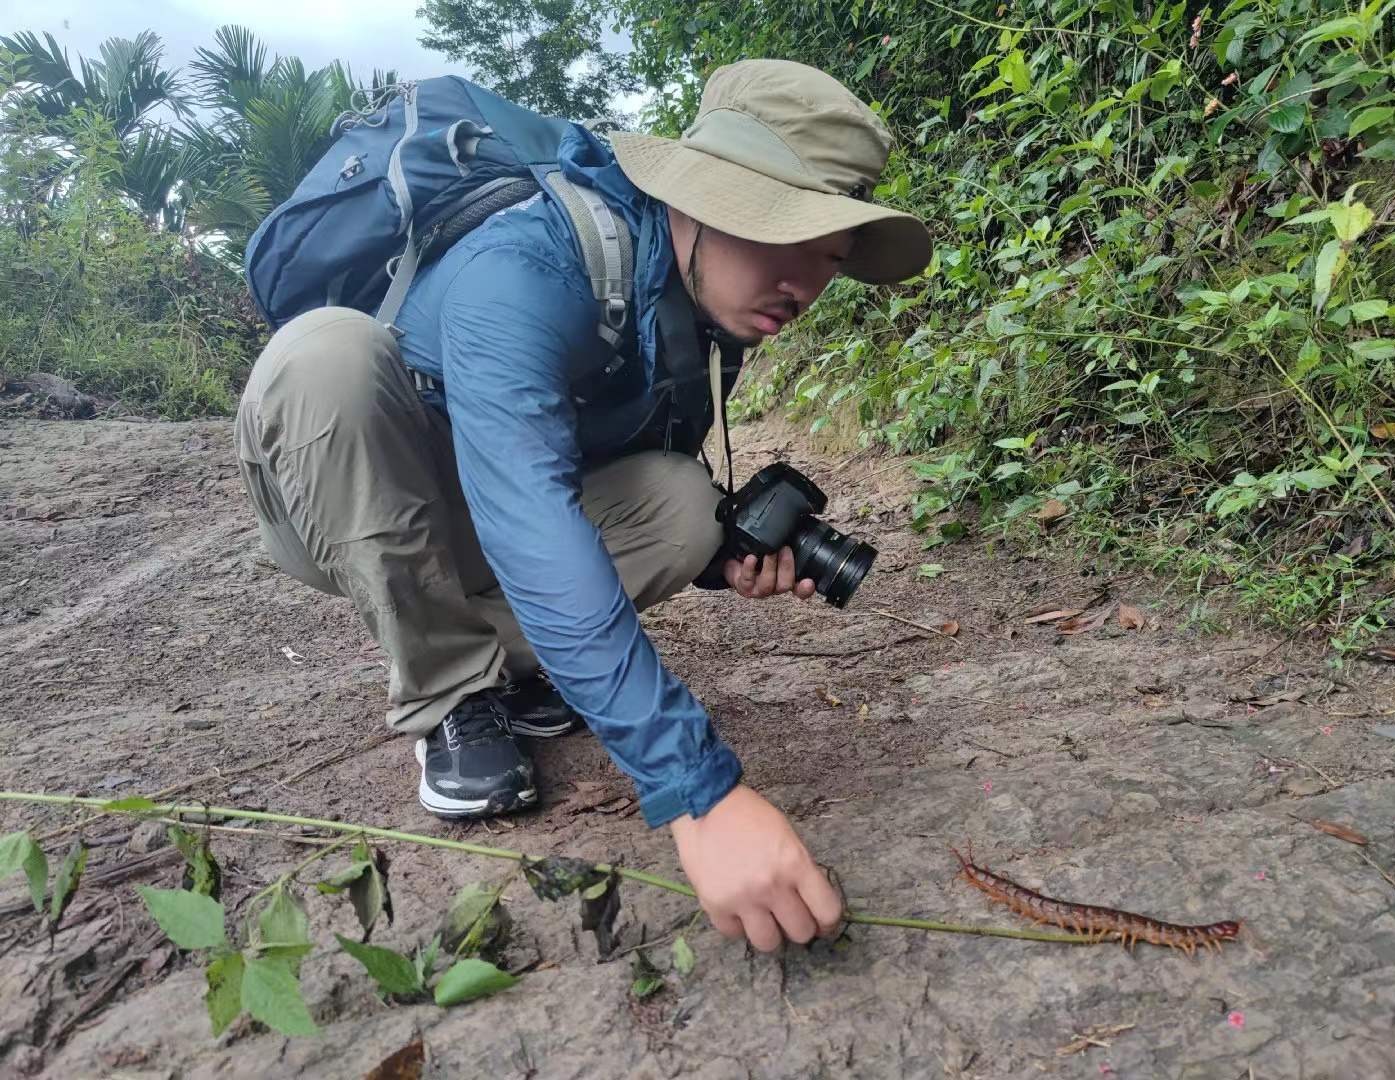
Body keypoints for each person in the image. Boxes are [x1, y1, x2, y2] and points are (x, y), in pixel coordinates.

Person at [234, 59, 931, 953]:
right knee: (329, 357)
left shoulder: (697, 311)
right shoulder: (526, 263)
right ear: (706, 198)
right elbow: (533, 516)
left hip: (493, 511)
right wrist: (700, 792)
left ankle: (514, 666)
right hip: (354, 493)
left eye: (830, 257)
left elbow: (619, 475)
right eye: (788, 235)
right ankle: (448, 690)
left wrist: (728, 559)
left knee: (684, 505)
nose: (808, 284)